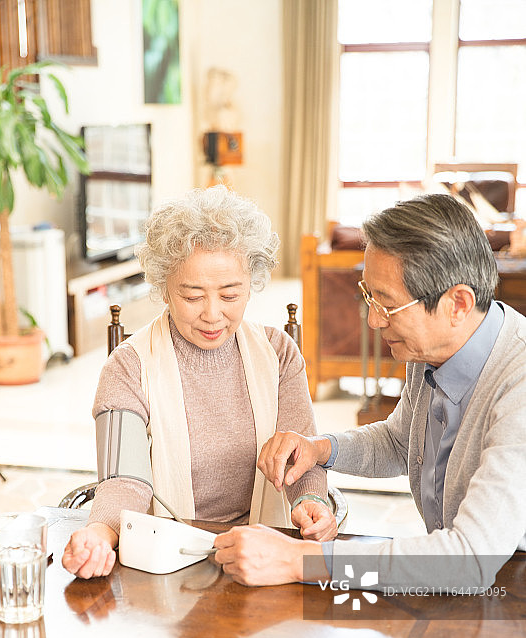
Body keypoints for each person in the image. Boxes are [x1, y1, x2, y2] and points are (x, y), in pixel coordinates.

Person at [214, 193, 526, 589]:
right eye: (370, 297)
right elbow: (402, 442)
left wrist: (300, 560)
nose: (375, 321)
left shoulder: (519, 384)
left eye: (388, 305)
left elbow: (469, 558)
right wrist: (319, 448)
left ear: (458, 304)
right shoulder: (431, 349)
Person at [62, 185, 334, 579]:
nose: (212, 315)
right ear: (164, 289)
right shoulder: (127, 366)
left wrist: (310, 500)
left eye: (230, 294)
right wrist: (98, 535)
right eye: (192, 296)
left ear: (252, 283)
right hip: (167, 558)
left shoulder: (279, 353)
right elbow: (124, 480)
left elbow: (300, 457)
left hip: (262, 555)